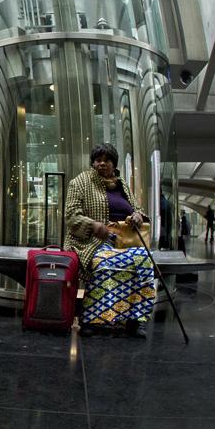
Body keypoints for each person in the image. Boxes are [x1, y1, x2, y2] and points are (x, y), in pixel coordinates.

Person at [66, 142, 155, 338]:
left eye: (107, 160)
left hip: (126, 240)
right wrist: (93, 225)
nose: (102, 164)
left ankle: (135, 319)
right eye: (98, 160)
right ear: (93, 163)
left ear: (114, 165)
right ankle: (90, 318)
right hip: (92, 241)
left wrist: (139, 216)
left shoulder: (122, 185)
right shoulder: (81, 182)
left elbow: (137, 209)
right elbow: (71, 216)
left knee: (143, 262)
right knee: (105, 263)